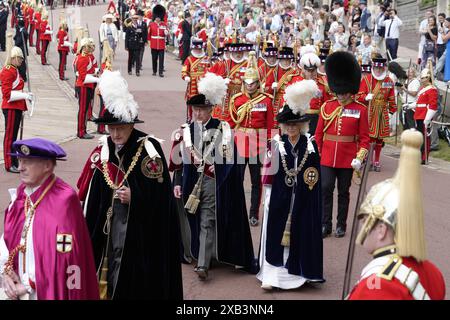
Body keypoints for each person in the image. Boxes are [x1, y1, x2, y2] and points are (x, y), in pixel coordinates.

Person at [77, 70, 183, 299]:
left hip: (140, 238)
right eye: (110, 128)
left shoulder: (149, 150)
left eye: (120, 128)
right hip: (107, 237)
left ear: (131, 125)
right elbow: (92, 198)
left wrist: (137, 197)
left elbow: (162, 199)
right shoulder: (103, 149)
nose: (115, 134)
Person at [169, 73, 257, 280]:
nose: (198, 114)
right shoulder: (185, 131)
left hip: (212, 181)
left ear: (211, 110)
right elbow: (178, 161)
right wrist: (178, 182)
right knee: (193, 219)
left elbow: (231, 160)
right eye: (195, 110)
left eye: (202, 110)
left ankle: (203, 264)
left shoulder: (222, 129)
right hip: (190, 183)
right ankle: (203, 253)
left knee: (207, 220)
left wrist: (218, 171)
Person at [348, 130, 446, 300]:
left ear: (381, 230)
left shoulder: (377, 286)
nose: (361, 227)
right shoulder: (432, 272)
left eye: (365, 221)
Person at [0, 138, 99, 300]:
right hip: (17, 290)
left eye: (27, 162)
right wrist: (5, 271)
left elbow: (66, 258)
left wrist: (27, 284)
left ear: (47, 166)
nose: (20, 167)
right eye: (19, 160)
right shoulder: (21, 194)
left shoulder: (64, 200)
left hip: (48, 291)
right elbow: (7, 238)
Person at [257, 80, 325, 290]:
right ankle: (274, 277)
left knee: (303, 230)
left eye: (295, 125)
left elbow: (314, 174)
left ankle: (303, 273)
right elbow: (268, 175)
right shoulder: (277, 145)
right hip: (279, 197)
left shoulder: (310, 145)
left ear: (302, 125)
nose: (291, 128)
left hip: (303, 197)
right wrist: (267, 198)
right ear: (283, 126)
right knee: (276, 233)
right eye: (287, 125)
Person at [315, 51, 370, 238]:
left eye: (343, 92)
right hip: (328, 157)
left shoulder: (360, 110)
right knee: (325, 189)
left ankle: (341, 225)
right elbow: (319, 134)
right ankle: (325, 224)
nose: (340, 95)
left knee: (343, 193)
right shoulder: (327, 107)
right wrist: (321, 154)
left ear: (350, 90)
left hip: (348, 159)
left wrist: (359, 158)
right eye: (338, 92)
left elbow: (364, 139)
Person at [229, 52, 275, 226]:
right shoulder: (236, 99)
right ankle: (237, 210)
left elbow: (271, 125)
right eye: (247, 83)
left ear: (257, 83)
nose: (249, 86)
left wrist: (271, 145)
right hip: (240, 141)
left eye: (252, 83)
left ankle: (254, 213)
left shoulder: (266, 101)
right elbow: (230, 122)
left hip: (258, 142)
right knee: (237, 179)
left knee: (257, 181)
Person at [357, 56, 396, 171]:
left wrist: (391, 112)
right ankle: (368, 159)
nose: (378, 71)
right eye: (376, 69)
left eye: (380, 69)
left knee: (380, 139)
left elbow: (391, 98)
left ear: (384, 69)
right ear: (373, 68)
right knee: (369, 137)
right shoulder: (367, 79)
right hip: (369, 111)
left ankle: (377, 160)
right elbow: (358, 96)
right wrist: (365, 97)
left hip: (382, 112)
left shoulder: (388, 81)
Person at [1, 36, 33, 173]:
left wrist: (25, 96)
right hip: (11, 107)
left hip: (17, 107)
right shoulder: (8, 70)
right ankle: (9, 163)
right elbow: (7, 93)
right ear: (13, 58)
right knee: (10, 136)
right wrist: (24, 95)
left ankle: (14, 160)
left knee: (14, 137)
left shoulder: (15, 71)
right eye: (19, 58)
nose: (21, 61)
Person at [75, 37, 98, 139]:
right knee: (83, 110)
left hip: (88, 85)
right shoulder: (82, 58)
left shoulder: (87, 57)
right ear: (84, 47)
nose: (90, 48)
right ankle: (81, 132)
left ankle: (83, 129)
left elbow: (90, 71)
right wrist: (96, 79)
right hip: (84, 86)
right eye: (88, 47)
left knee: (84, 109)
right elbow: (83, 77)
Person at [414, 66, 438, 164]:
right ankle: (420, 155)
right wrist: (410, 105)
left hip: (424, 116)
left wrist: (428, 118)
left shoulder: (432, 89)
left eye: (423, 78)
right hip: (419, 115)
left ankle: (424, 157)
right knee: (420, 137)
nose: (421, 80)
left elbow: (433, 105)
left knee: (425, 138)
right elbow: (419, 103)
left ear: (428, 78)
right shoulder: (423, 89)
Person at [181, 39, 210, 122]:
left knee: (204, 102)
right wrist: (186, 76)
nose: (198, 51)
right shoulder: (189, 59)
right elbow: (184, 70)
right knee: (191, 101)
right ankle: (189, 118)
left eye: (199, 49)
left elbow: (210, 69)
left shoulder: (206, 58)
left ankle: (204, 118)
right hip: (193, 83)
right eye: (196, 49)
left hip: (204, 83)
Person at [148, 4, 167, 77]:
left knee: (161, 59)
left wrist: (166, 33)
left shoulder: (164, 24)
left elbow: (166, 33)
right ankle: (154, 71)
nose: (158, 18)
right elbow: (149, 35)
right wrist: (149, 42)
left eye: (159, 17)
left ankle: (161, 72)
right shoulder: (151, 24)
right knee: (154, 59)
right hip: (154, 44)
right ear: (155, 17)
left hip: (161, 44)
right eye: (157, 17)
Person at [125, 11, 144, 76]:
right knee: (130, 58)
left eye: (136, 19)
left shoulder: (139, 27)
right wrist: (126, 46)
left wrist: (142, 43)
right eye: (134, 19)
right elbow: (127, 37)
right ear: (132, 20)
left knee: (137, 58)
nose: (135, 20)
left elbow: (141, 36)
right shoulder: (129, 27)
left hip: (137, 45)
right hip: (131, 45)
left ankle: (137, 71)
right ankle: (129, 70)